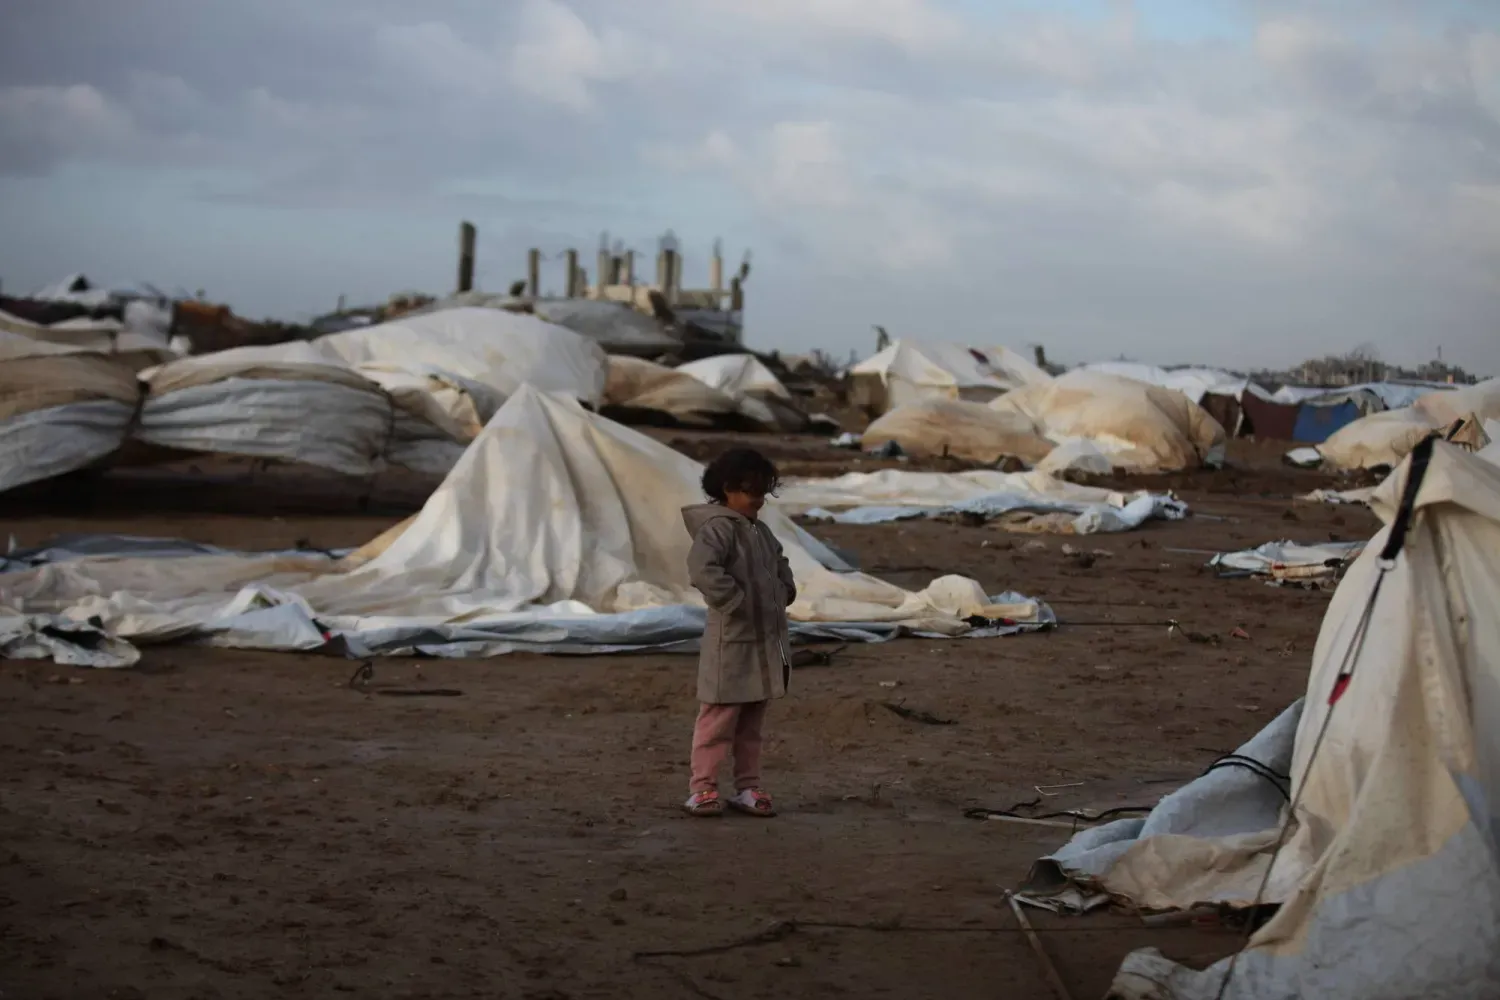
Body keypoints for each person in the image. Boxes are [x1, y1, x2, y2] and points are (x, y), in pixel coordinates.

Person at [680, 447, 797, 818]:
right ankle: (703, 788)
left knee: (751, 721)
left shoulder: (758, 530)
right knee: (718, 716)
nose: (759, 503)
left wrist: (784, 588)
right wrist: (737, 602)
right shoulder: (717, 529)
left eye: (763, 494)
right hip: (731, 640)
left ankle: (748, 787)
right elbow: (703, 570)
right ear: (728, 489)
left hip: (763, 643)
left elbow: (779, 561)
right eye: (752, 494)